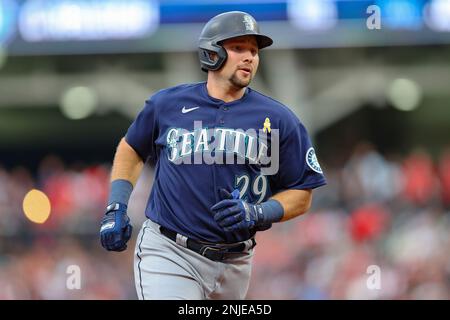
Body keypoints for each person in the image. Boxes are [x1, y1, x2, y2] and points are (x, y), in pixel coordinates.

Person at [99, 11, 327, 300]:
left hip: (236, 262)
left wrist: (259, 212)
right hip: (171, 251)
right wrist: (116, 205)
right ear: (212, 52)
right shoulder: (167, 105)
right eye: (238, 48)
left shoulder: (280, 119)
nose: (250, 57)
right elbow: (131, 148)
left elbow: (302, 191)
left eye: (254, 51)